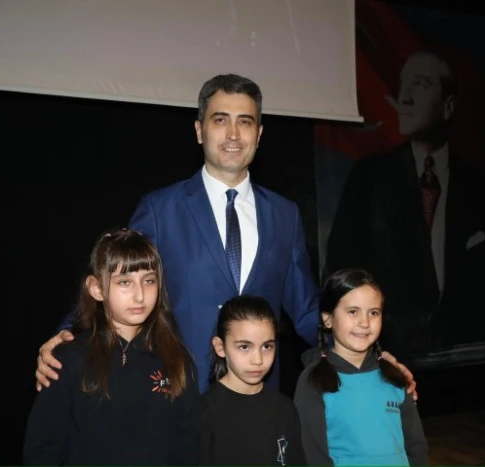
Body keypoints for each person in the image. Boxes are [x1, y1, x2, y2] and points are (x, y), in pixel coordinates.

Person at [35, 73, 416, 394]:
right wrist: (67, 335)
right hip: (177, 394)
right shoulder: (160, 208)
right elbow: (116, 280)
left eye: (245, 122)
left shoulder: (284, 214)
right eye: (220, 120)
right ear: (199, 131)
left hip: (257, 400)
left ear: (259, 133)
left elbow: (305, 310)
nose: (233, 133)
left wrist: (367, 355)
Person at [325, 51, 485, 357]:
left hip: (469, 359)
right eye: (404, 85)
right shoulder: (369, 179)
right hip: (387, 359)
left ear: (449, 106)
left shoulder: (483, 190)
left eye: (421, 84)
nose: (406, 97)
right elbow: (339, 274)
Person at [23, 229, 199, 465]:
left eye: (149, 280)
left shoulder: (177, 360)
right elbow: (43, 449)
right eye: (124, 282)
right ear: (96, 288)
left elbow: (187, 447)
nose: (140, 295)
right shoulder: (68, 359)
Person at [294, 268, 428, 466]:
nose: (365, 322)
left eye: (373, 313)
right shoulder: (313, 382)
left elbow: (416, 447)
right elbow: (312, 455)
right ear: (328, 318)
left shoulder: (395, 377)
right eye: (353, 312)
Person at [199, 295, 306, 466]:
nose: (258, 360)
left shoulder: (285, 409)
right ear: (220, 347)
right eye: (244, 347)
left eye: (267, 346)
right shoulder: (204, 413)